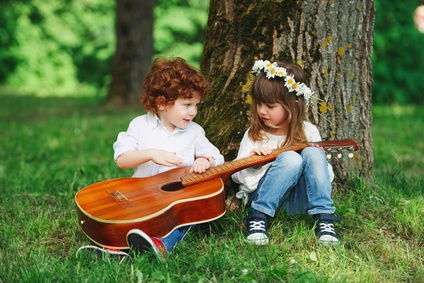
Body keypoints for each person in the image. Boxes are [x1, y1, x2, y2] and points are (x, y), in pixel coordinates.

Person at [113, 56, 225, 260]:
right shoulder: (139, 126)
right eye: (187, 104)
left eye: (196, 105)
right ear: (162, 103)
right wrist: (151, 154)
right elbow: (122, 159)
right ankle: (114, 249)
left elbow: (216, 156)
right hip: (143, 197)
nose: (193, 112)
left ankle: (162, 246)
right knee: (127, 220)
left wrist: (205, 160)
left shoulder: (194, 132)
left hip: (178, 202)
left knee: (187, 218)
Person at [231, 59, 341, 246]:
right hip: (264, 198)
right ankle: (258, 218)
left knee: (313, 154)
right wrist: (254, 162)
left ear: (294, 104)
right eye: (259, 104)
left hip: (299, 203)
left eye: (270, 106)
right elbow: (236, 176)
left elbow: (325, 179)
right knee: (290, 158)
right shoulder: (255, 134)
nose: (262, 111)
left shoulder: (308, 131)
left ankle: (324, 218)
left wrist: (320, 160)